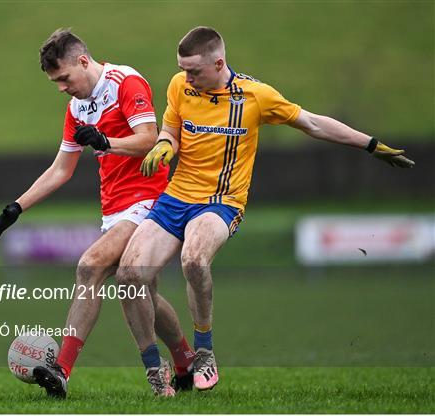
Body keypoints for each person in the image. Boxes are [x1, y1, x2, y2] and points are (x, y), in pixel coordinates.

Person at [115, 26, 415, 393]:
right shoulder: (180, 86)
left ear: (218, 63)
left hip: (221, 202)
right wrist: (165, 143)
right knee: (128, 277)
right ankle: (154, 369)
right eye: (183, 69)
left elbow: (313, 123)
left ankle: (205, 350)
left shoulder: (256, 95)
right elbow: (170, 130)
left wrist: (371, 145)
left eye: (194, 71)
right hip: (176, 197)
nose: (186, 77)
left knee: (194, 260)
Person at [0, 28, 194, 398]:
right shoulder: (76, 108)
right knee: (140, 291)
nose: (62, 88)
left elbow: (151, 137)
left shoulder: (125, 82)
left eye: (64, 78)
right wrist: (16, 207)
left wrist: (105, 142)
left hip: (151, 200)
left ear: (83, 61)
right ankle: (184, 360)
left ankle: (64, 370)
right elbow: (60, 170)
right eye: (55, 82)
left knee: (90, 265)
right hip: (115, 209)